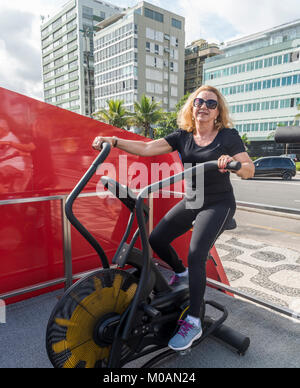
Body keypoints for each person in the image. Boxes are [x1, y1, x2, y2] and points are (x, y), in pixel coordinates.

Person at [92, 85, 255, 351]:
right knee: (157, 238)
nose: (204, 106)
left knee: (196, 253)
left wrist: (234, 165)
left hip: (218, 203)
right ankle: (180, 274)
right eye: (199, 101)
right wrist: (114, 140)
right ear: (192, 107)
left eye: (211, 104)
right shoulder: (183, 136)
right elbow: (147, 149)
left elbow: (249, 169)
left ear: (218, 112)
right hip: (194, 199)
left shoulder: (228, 136)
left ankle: (194, 320)